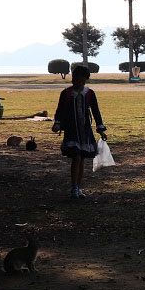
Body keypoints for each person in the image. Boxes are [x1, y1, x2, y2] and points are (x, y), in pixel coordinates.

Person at [53, 65, 107, 198]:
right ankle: (74, 187)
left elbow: (96, 111)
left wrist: (100, 129)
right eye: (75, 79)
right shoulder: (65, 93)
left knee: (81, 159)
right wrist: (58, 124)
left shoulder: (89, 94)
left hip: (85, 130)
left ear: (85, 80)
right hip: (72, 130)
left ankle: (78, 187)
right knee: (76, 157)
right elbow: (59, 111)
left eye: (81, 80)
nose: (77, 82)